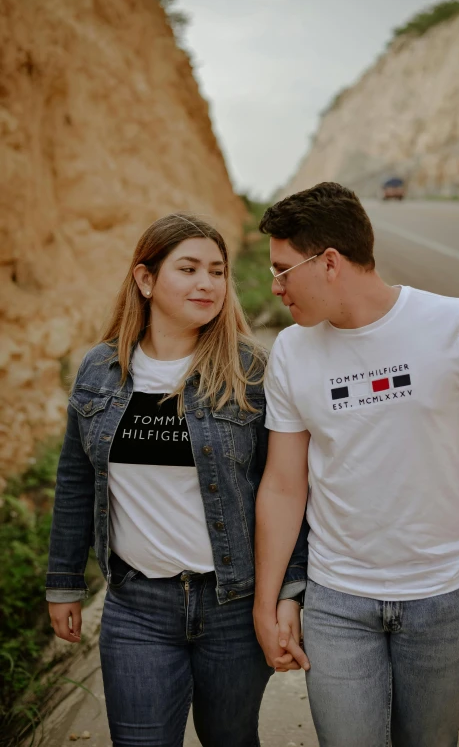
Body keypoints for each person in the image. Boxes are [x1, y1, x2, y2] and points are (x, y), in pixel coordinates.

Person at [253, 182, 459, 747]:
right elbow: (283, 484)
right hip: (337, 602)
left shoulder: (455, 324)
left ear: (329, 262)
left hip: (444, 596)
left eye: (282, 270)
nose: (275, 288)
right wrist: (268, 600)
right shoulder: (292, 351)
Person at [46, 213, 307, 747]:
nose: (207, 283)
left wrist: (290, 592)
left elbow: (285, 488)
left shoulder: (250, 371)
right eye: (188, 269)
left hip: (234, 604)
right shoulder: (100, 369)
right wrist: (64, 581)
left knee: (230, 737)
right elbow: (75, 479)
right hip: (137, 606)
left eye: (217, 270)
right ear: (145, 280)